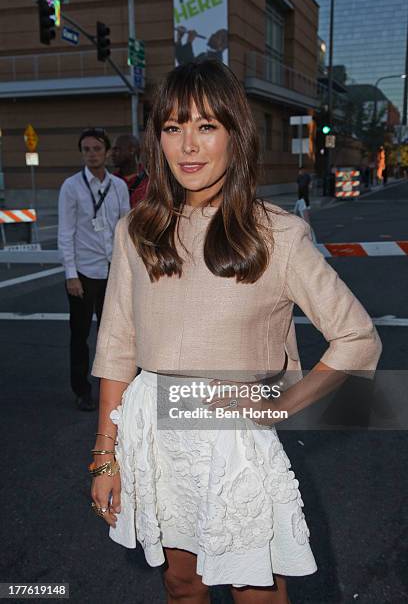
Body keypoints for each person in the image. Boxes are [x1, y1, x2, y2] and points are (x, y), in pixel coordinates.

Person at [89, 61, 382, 602]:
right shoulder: (137, 230)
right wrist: (106, 455)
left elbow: (358, 338)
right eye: (173, 128)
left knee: (257, 593)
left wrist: (279, 406)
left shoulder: (279, 234)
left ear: (234, 135)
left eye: (206, 126)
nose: (188, 146)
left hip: (231, 443)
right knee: (180, 585)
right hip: (151, 433)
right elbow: (116, 345)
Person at [58, 128, 130, 411]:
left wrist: (126, 271)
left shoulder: (119, 187)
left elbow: (125, 229)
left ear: (106, 152)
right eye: (86, 149)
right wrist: (70, 275)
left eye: (97, 149)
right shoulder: (71, 187)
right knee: (80, 335)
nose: (91, 154)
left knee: (113, 334)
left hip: (112, 270)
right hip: (84, 274)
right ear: (82, 153)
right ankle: (81, 390)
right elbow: (65, 233)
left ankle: (112, 389)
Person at [111, 134, 148, 207]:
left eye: (117, 149)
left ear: (131, 150)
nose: (112, 154)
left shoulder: (150, 181)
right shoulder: (110, 181)